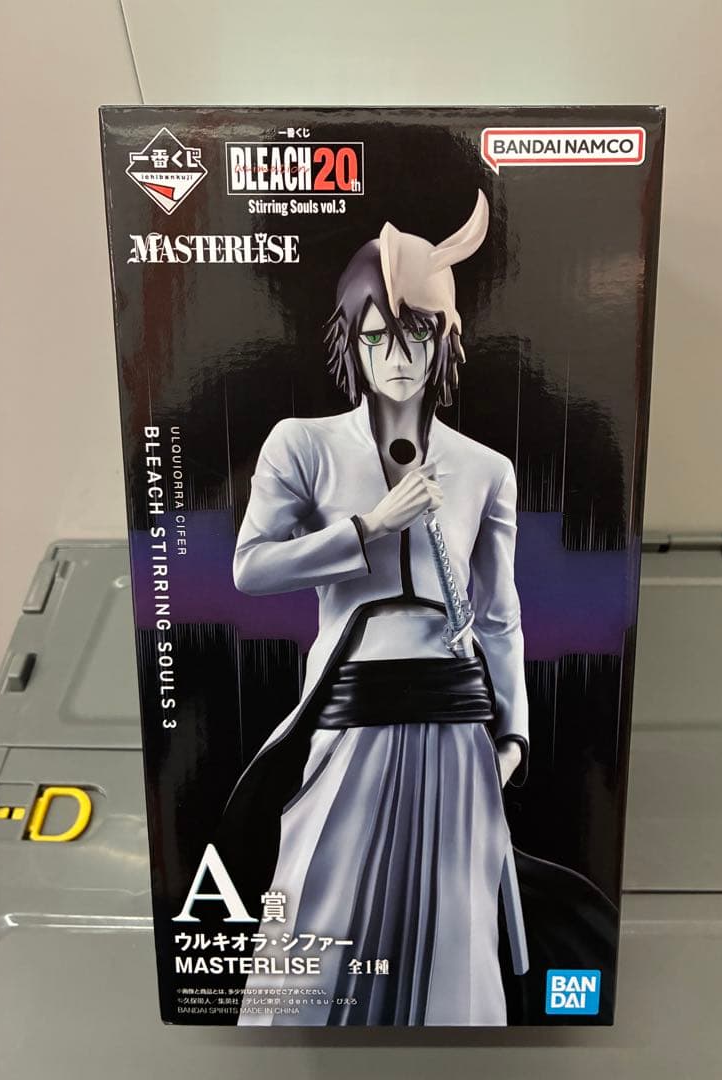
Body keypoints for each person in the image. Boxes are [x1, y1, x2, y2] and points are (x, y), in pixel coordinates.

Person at [228, 191, 529, 1026]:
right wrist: (366, 529)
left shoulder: (484, 468)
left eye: (416, 336)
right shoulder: (304, 443)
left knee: (455, 925)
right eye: (376, 337)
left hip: (458, 716)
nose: (396, 357)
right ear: (351, 340)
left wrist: (512, 732)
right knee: (313, 913)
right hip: (353, 707)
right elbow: (251, 568)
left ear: (445, 339)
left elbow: (500, 615)